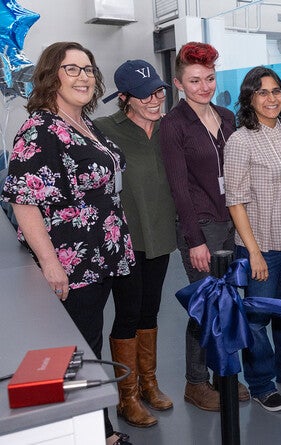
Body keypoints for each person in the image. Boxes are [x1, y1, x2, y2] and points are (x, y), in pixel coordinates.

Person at [1, 41, 134, 445]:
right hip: (73, 260)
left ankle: (100, 427)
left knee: (91, 344)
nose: (83, 76)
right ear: (51, 76)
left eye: (88, 69)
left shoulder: (85, 124)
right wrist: (51, 263)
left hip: (105, 253)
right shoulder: (41, 127)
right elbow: (24, 201)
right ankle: (94, 433)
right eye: (71, 69)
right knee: (77, 350)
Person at [223, 66, 281, 412]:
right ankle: (261, 383)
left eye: (276, 91)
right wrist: (254, 253)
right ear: (249, 97)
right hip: (260, 243)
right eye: (262, 92)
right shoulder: (240, 140)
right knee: (258, 318)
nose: (271, 98)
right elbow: (235, 200)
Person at [160, 41, 249, 412]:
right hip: (202, 226)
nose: (204, 87)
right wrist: (194, 240)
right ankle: (195, 382)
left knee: (231, 303)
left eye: (209, 78)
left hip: (233, 219)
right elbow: (179, 188)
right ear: (179, 83)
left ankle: (222, 375)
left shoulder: (227, 117)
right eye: (195, 80)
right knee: (205, 305)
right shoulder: (173, 125)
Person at [93, 59, 176, 428]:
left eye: (158, 91)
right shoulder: (103, 129)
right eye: (145, 96)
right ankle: (126, 397)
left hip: (160, 234)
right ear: (124, 98)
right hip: (125, 240)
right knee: (127, 313)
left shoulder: (169, 128)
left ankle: (149, 384)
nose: (155, 100)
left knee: (150, 311)